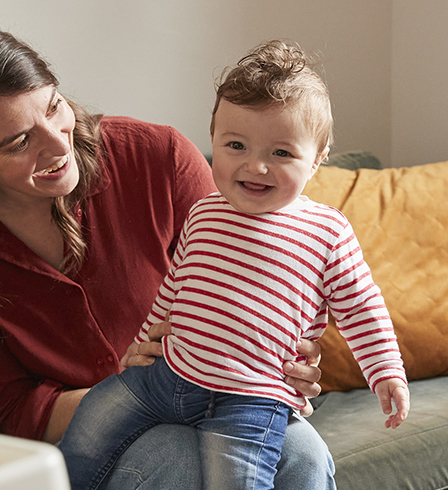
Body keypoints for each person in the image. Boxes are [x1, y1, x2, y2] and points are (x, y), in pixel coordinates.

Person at [0, 22, 334, 489]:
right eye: (19, 141)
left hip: (217, 393)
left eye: (54, 106)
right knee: (175, 459)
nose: (60, 145)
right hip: (90, 434)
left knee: (303, 453)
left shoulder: (157, 157)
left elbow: (260, 274)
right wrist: (134, 387)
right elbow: (16, 412)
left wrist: (281, 356)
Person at [57, 40, 410, 490]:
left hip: (252, 400)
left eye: (281, 153)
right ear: (214, 141)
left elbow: (363, 310)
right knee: (94, 418)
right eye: (236, 145)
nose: (256, 165)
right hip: (171, 375)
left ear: (318, 158)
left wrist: (386, 373)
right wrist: (144, 341)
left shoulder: (329, 232)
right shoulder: (204, 212)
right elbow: (174, 287)